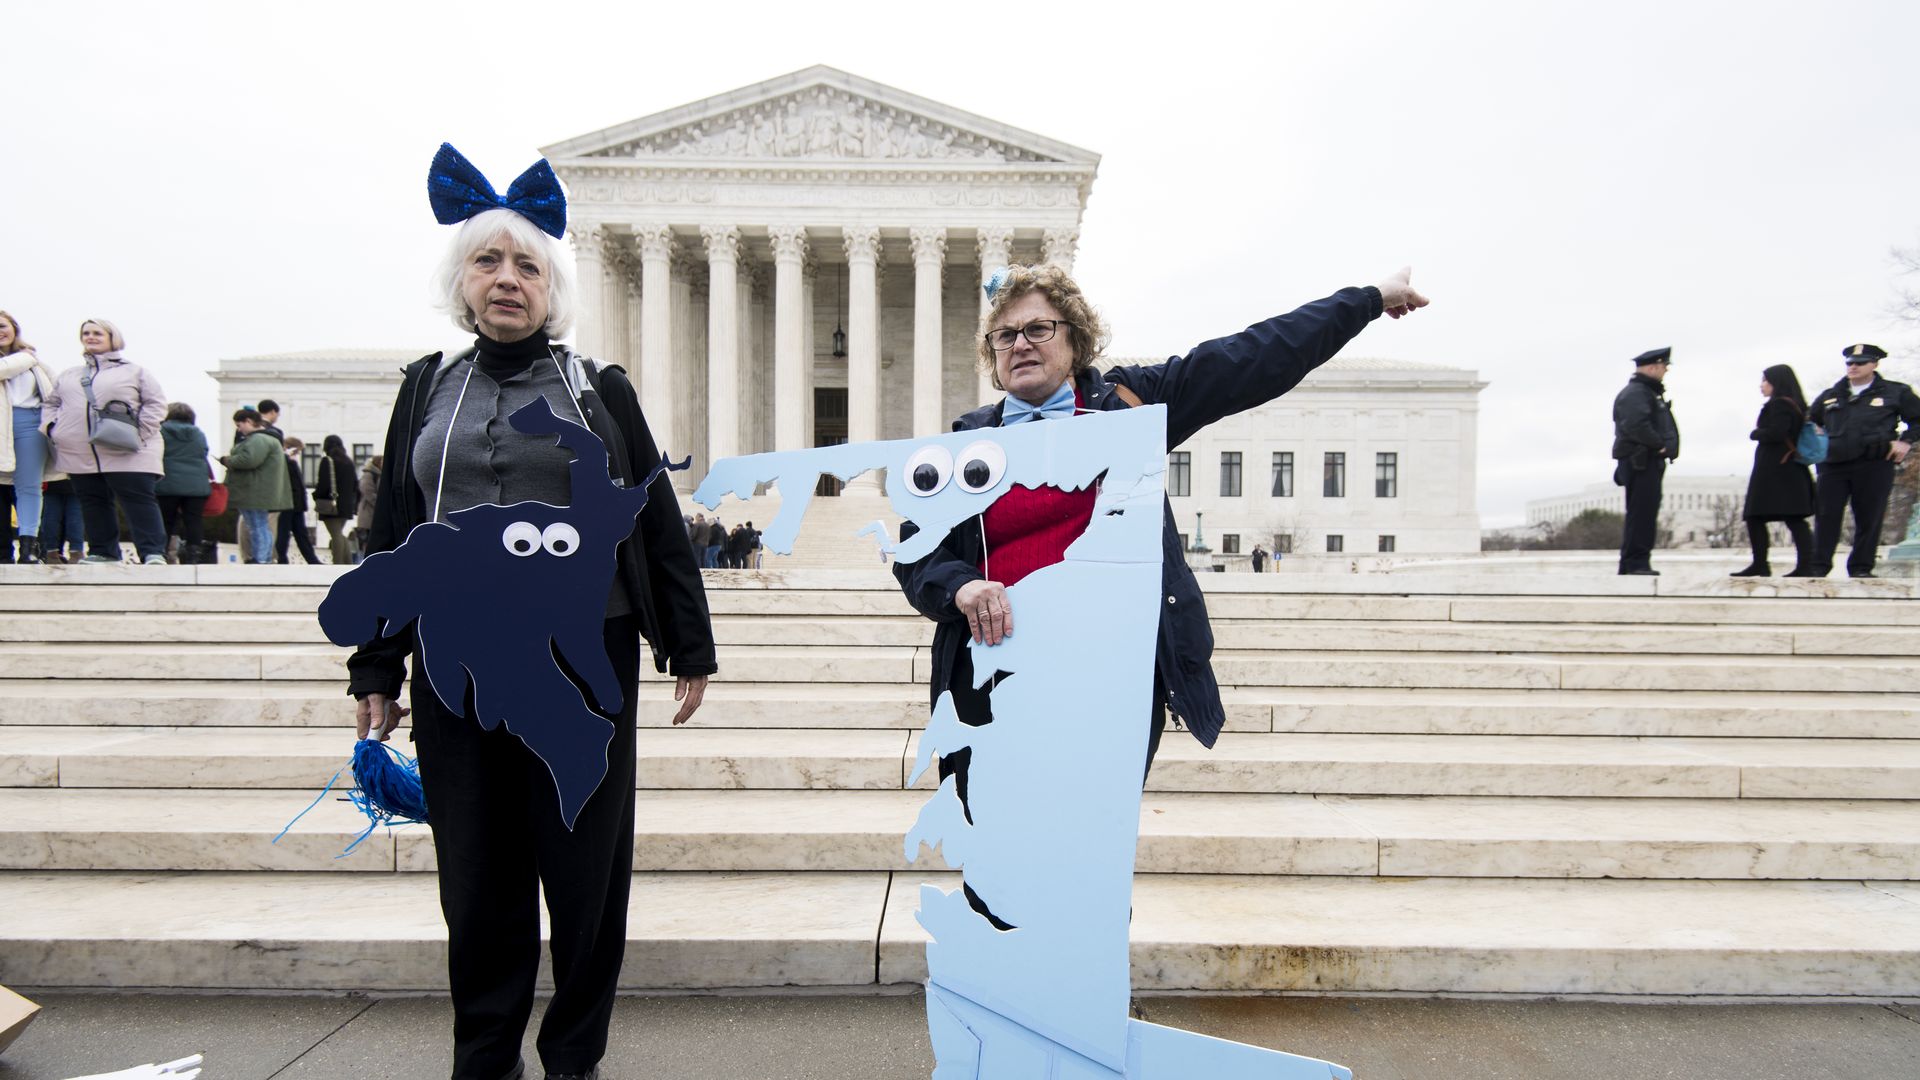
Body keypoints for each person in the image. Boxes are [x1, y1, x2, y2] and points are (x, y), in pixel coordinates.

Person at [346, 144, 715, 1080]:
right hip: (453, 656)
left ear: (554, 290)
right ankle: (485, 1060)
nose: (507, 280)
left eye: (528, 266)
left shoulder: (600, 389)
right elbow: (394, 530)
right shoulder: (426, 387)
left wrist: (687, 643)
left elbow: (654, 518)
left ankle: (573, 1060)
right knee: (476, 878)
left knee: (583, 873)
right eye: (488, 262)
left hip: (583, 654)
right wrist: (375, 669)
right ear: (460, 282)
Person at [895, 261, 1427, 793]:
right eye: (1005, 335)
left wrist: (1368, 300)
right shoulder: (965, 445)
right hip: (992, 682)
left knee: (1087, 848)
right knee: (990, 852)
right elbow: (917, 553)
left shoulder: (1129, 406)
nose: (1020, 345)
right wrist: (961, 585)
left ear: (1076, 341)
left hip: (1108, 680)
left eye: (1039, 329)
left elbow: (1252, 356)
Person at [42, 319, 170, 565]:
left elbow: (155, 403)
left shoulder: (135, 371)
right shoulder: (69, 375)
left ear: (113, 337)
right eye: (86, 333)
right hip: (81, 452)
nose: (91, 337)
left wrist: (141, 433)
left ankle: (153, 552)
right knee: (92, 502)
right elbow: (51, 404)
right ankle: (103, 552)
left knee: (138, 501)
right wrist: (53, 429)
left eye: (97, 333)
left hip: (130, 450)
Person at [1807, 344, 1920, 578]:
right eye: (1850, 363)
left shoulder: (1894, 392)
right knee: (1827, 515)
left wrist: (1905, 441)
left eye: (1860, 362)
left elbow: (1917, 420)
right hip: (1833, 464)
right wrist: (1815, 432)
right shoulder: (1831, 395)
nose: (1854, 367)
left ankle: (1860, 567)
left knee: (1869, 516)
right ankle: (1818, 566)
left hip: (1874, 462)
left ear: (1875, 364)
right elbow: (1810, 420)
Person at [1731, 365, 1815, 577]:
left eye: (1765, 381)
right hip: (1788, 468)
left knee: (1756, 516)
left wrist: (1756, 433)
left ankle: (1763, 563)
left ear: (1776, 382)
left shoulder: (1779, 404)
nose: (1762, 386)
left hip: (1777, 469)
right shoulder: (1796, 404)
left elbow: (1777, 432)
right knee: (1793, 518)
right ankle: (1804, 564)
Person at [1611, 347, 1679, 576]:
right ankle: (1636, 563)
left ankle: (1633, 563)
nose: (1665, 371)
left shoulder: (1646, 392)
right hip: (1641, 461)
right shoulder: (1637, 393)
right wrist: (1659, 444)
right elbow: (1635, 425)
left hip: (1645, 460)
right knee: (1642, 514)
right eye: (1663, 367)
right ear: (1653, 367)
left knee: (1643, 513)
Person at [0, 311, 56, 563]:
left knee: (30, 486)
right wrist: (25, 357)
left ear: (14, 328)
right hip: (3, 423)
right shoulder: (28, 359)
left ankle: (28, 547)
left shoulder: (38, 364)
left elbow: (54, 391)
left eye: (2, 326)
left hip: (31, 423)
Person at [221, 408, 291, 564]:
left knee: (257, 526)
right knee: (261, 526)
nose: (239, 430)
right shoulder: (270, 439)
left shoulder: (258, 440)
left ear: (249, 421)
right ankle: (263, 558)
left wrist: (227, 460)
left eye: (239, 425)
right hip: (261, 491)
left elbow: (249, 460)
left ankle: (261, 559)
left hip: (253, 491)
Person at [155, 402, 213, 563]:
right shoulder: (198, 433)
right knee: (193, 520)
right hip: (196, 485)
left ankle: (161, 553)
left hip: (167, 483)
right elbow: (204, 452)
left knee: (166, 520)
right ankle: (193, 554)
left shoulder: (161, 432)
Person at [275, 436, 322, 564]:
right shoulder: (285, 462)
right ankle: (282, 558)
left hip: (296, 504)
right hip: (288, 503)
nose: (298, 454)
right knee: (284, 533)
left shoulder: (290, 462)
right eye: (297, 451)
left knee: (301, 534)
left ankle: (312, 560)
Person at [313, 435, 359, 563]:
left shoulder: (327, 461)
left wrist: (316, 496)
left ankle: (337, 563)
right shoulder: (348, 462)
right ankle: (347, 563)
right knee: (339, 533)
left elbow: (323, 485)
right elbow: (355, 484)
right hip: (346, 505)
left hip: (331, 505)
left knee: (336, 535)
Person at [352, 454, 381, 561]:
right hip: (367, 514)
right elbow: (367, 491)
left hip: (372, 514)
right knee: (365, 542)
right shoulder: (369, 474)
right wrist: (379, 503)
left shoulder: (377, 474)